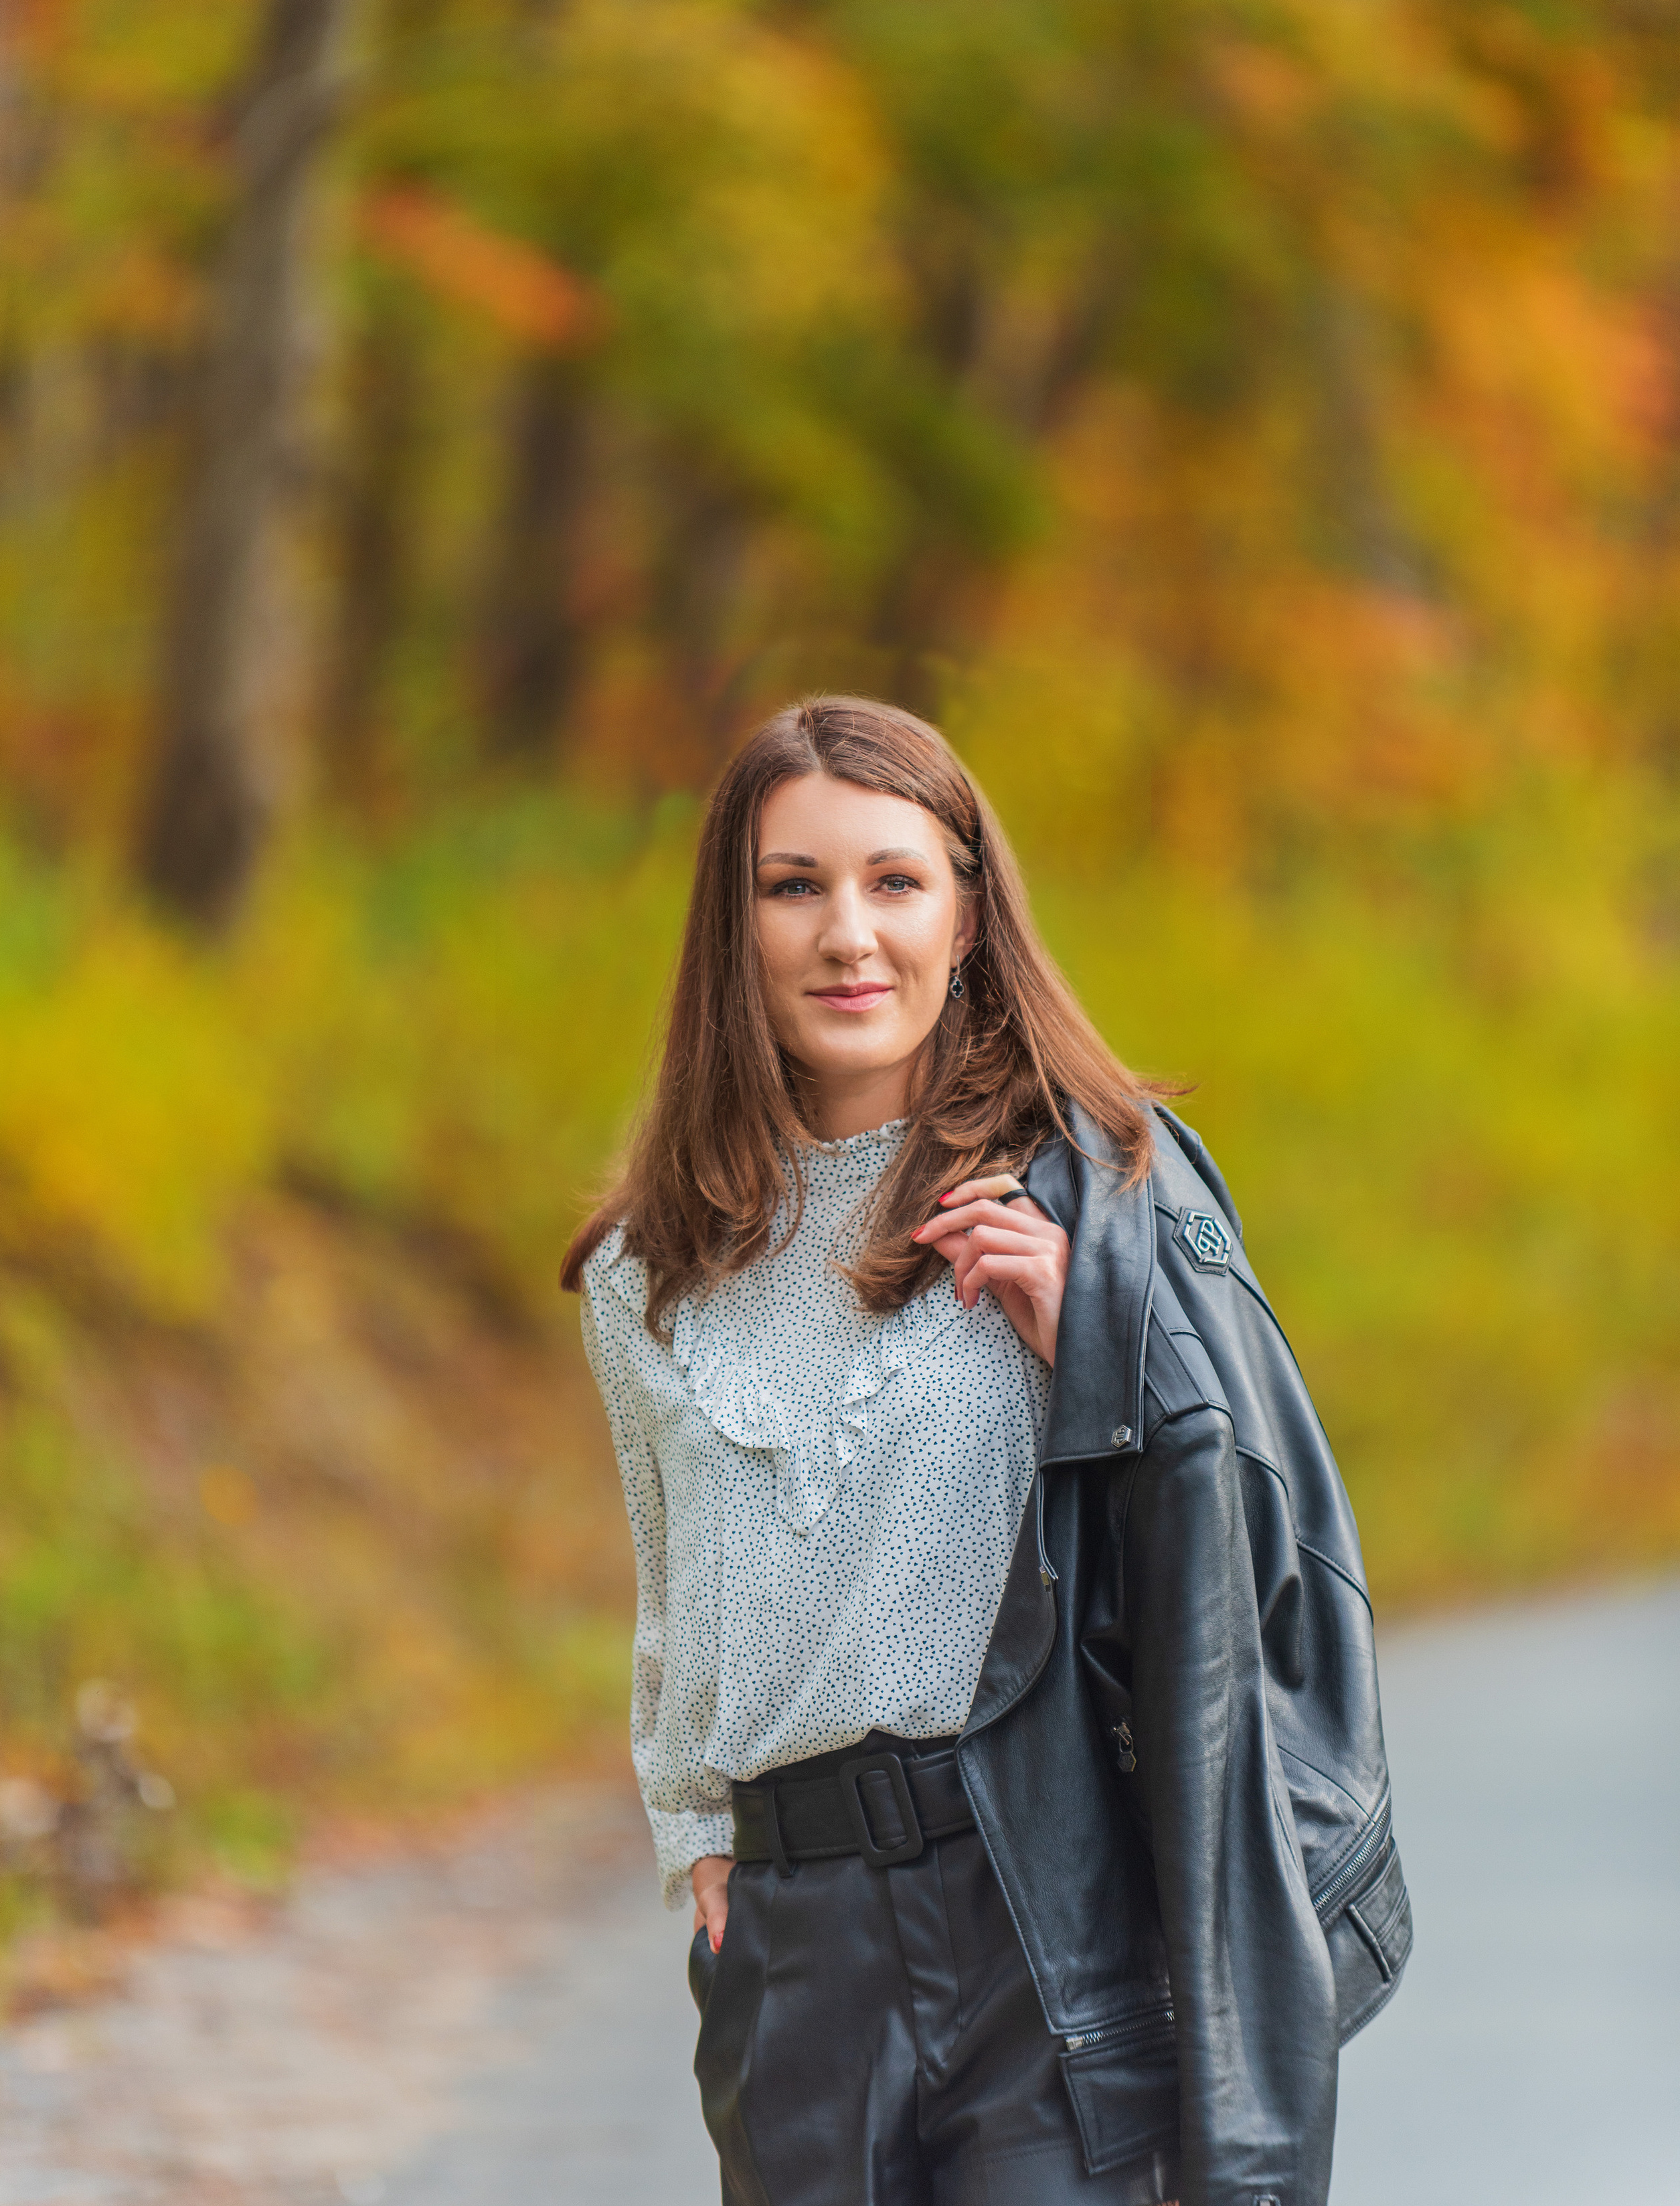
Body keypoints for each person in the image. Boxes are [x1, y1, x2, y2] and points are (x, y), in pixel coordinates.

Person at [564, 696, 1409, 2206]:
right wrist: (694, 1828)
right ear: (732, 931)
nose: (848, 935)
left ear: (964, 917)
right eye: (793, 885)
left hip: (1039, 1908)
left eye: (893, 881)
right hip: (791, 1946)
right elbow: (672, 1574)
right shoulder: (647, 1269)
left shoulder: (1091, 1189)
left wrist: (1098, 1348)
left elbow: (1259, 1536)